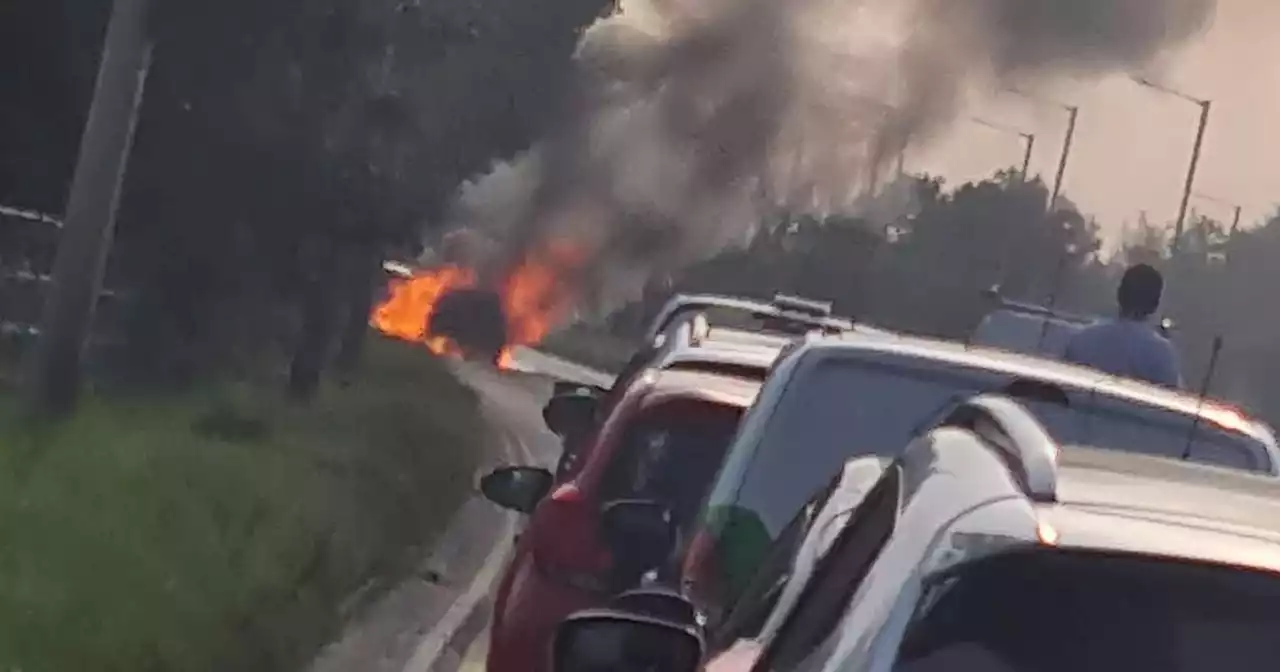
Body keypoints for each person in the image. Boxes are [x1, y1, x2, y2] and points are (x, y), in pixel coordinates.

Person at [1063, 263, 1183, 388]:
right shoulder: (1161, 354)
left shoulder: (1081, 340)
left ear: (1119, 294)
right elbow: (1172, 397)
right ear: (1155, 304)